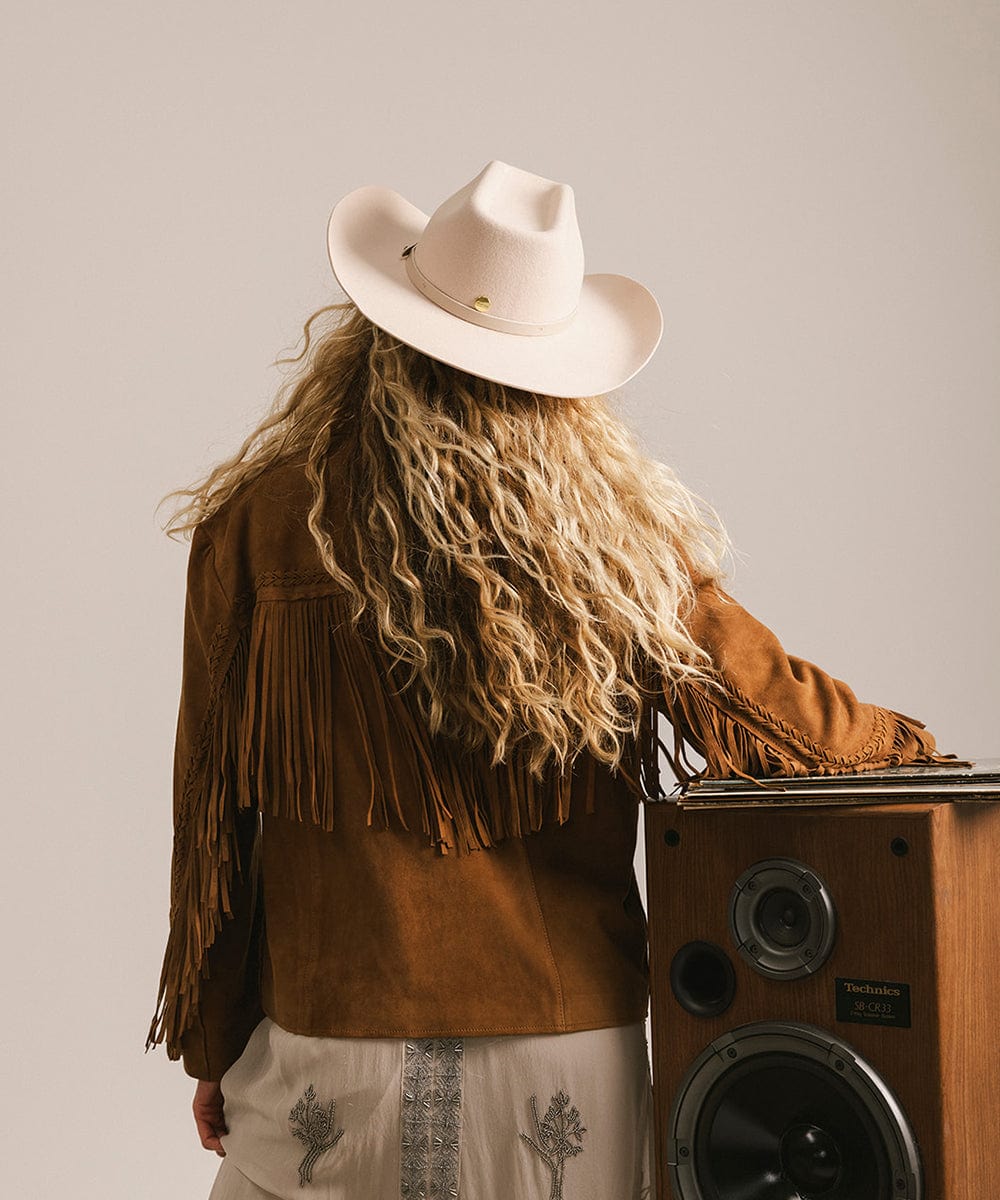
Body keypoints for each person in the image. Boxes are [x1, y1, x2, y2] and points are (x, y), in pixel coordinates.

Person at [144, 161, 948, 1200]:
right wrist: (911, 747)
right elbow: (794, 727)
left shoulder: (258, 525)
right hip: (565, 1053)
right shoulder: (612, 541)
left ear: (379, 336)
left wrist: (214, 1037)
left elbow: (212, 817)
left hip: (333, 1039)